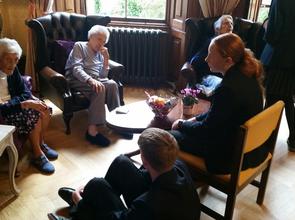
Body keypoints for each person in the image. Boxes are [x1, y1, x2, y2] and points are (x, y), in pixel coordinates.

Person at [48, 128, 200, 220]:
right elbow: (147, 175)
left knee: (97, 184)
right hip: (167, 208)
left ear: (144, 160)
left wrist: (79, 201)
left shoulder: (146, 205)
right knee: (122, 162)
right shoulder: (178, 164)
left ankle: (81, 208)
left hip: (153, 212)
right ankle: (88, 202)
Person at [171, 33, 265, 174]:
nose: (206, 58)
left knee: (168, 137)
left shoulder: (227, 88)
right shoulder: (247, 77)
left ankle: (180, 177)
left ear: (227, 61)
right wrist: (196, 118)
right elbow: (219, 113)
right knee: (181, 130)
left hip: (226, 158)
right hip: (250, 150)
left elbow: (207, 129)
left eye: (210, 54)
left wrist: (181, 124)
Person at [0, 38, 58, 174]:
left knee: (45, 109)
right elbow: (2, 109)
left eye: (16, 60)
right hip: (3, 114)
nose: (12, 65)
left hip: (13, 106)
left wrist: (22, 102)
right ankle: (37, 154)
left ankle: (40, 143)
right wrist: (23, 104)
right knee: (33, 113)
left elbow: (24, 92)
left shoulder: (12, 71)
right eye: (8, 59)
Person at [65, 25, 121, 147]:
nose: (101, 43)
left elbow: (103, 75)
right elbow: (76, 69)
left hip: (94, 79)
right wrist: (90, 80)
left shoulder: (100, 54)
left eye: (104, 41)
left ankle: (118, 123)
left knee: (112, 84)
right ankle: (92, 132)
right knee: (99, 87)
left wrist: (106, 59)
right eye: (99, 39)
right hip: (76, 79)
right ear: (91, 37)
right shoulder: (79, 46)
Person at [260, 0, 295, 152]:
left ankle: (263, 141)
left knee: (272, 99)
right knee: (285, 97)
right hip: (291, 58)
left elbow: (273, 34)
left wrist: (265, 24)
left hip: (279, 57)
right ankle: (293, 138)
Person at [189, 15, 234, 83]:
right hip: (210, 76)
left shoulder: (234, 43)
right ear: (218, 28)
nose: (230, 25)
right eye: (226, 23)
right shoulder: (212, 42)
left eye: (231, 23)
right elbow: (195, 61)